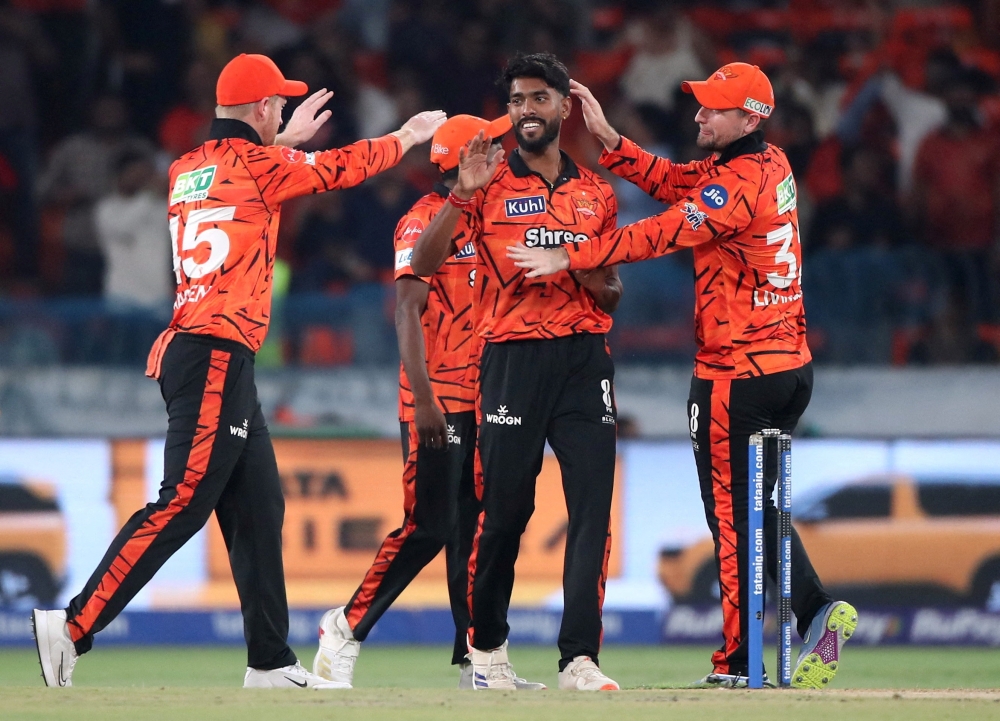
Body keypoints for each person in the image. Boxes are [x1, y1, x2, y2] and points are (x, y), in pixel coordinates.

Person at [31, 52, 446, 690]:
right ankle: (75, 626)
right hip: (214, 352)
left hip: (202, 350)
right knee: (183, 503)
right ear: (261, 109)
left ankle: (270, 662)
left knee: (258, 506)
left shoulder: (184, 169)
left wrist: (280, 142)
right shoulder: (263, 166)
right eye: (277, 103)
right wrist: (407, 136)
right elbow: (340, 168)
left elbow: (244, 175)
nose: (282, 110)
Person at [509, 64, 858, 690]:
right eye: (700, 105)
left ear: (749, 118)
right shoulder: (769, 164)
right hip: (789, 367)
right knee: (760, 510)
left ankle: (737, 661)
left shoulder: (738, 184)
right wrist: (613, 143)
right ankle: (815, 611)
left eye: (714, 109)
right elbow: (675, 183)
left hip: (736, 374)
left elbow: (666, 230)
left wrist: (573, 253)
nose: (698, 115)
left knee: (729, 515)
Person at [412, 53, 624, 692]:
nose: (525, 111)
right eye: (516, 101)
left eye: (537, 99)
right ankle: (487, 652)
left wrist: (575, 265)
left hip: (586, 360)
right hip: (510, 359)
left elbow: (611, 293)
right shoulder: (488, 184)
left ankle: (579, 659)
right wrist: (461, 195)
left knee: (591, 508)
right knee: (506, 509)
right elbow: (423, 262)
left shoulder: (597, 192)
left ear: (565, 106)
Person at [311, 114, 544, 691]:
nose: (501, 157)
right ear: (462, 162)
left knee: (477, 530)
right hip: (437, 400)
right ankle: (343, 628)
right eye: (489, 151)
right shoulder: (420, 222)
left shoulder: (499, 217)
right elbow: (406, 309)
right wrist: (424, 401)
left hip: (489, 398)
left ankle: (479, 661)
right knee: (430, 528)